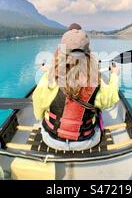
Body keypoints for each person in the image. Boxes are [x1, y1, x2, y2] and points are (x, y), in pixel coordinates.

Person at [32, 23, 120, 151]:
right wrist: (115, 75)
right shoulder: (95, 81)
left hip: (51, 139)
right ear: (88, 53)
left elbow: (38, 110)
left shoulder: (49, 78)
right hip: (86, 142)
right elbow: (110, 100)